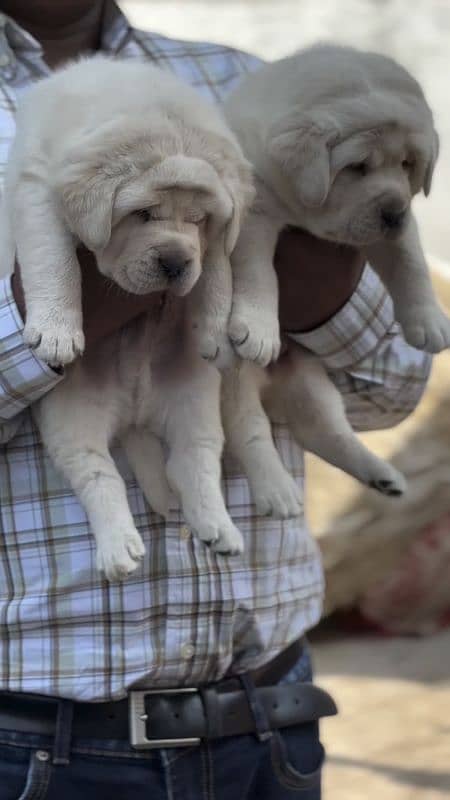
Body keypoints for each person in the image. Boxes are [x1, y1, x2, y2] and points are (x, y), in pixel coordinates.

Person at [0, 2, 431, 798]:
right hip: (36, 743)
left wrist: (277, 275)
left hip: (270, 718)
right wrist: (61, 310)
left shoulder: (248, 87)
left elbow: (392, 387)